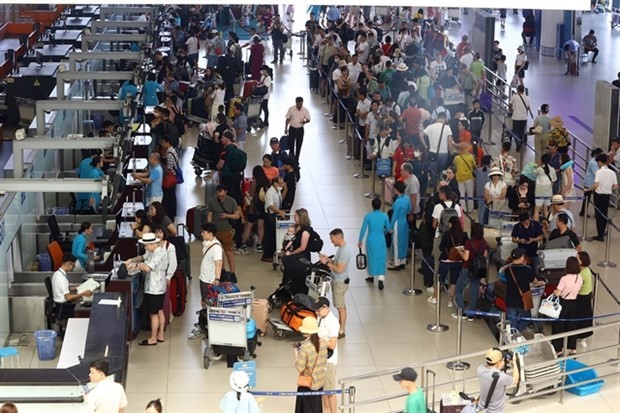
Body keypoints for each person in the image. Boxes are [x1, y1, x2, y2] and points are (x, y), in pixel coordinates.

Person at [126, 233, 168, 346]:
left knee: (153, 314)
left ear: (153, 244)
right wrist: (132, 260)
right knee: (159, 311)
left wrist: (135, 266)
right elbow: (142, 257)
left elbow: (148, 267)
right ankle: (160, 335)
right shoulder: (153, 251)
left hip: (154, 288)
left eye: (146, 245)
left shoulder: (159, 254)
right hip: (159, 287)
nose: (145, 247)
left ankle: (153, 338)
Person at [188, 223, 223, 339]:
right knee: (204, 301)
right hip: (203, 277)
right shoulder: (208, 243)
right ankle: (204, 322)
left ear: (211, 234)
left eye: (204, 232)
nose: (202, 234)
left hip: (209, 280)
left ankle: (206, 326)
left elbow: (218, 263)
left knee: (208, 302)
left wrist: (217, 278)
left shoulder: (216, 247)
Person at [319, 229, 352, 338]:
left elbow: (339, 269)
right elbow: (337, 263)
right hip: (337, 281)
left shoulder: (345, 251)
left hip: (340, 282)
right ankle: (340, 327)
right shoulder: (341, 249)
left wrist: (327, 263)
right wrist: (328, 259)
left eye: (333, 240)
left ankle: (341, 330)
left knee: (340, 307)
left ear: (338, 238)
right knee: (340, 306)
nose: (332, 242)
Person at [430, 216, 468, 306]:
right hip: (458, 261)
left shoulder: (447, 234)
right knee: (454, 281)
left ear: (450, 224)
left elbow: (441, 247)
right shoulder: (464, 235)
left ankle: (435, 298)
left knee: (440, 280)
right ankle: (451, 301)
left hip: (446, 260)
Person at [504, 248, 545, 332]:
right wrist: (542, 282)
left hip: (510, 298)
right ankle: (516, 334)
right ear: (521, 258)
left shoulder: (507, 269)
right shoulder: (527, 269)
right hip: (523, 299)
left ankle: (512, 338)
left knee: (512, 321)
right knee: (527, 319)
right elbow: (535, 282)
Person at [454, 222, 488, 321]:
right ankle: (471, 315)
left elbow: (466, 258)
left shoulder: (469, 242)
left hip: (467, 268)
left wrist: (460, 251)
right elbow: (484, 257)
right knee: (474, 292)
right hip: (478, 270)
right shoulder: (484, 243)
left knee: (459, 289)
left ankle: (461, 311)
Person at [294, 317, 328, 413]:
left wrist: (297, 355)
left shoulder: (305, 347)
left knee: (306, 409)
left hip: (307, 384)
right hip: (320, 381)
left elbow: (299, 367)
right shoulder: (323, 342)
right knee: (317, 407)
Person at [551, 257, 584, 356]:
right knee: (572, 325)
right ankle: (572, 349)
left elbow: (558, 293)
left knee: (559, 326)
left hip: (563, 303)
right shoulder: (579, 277)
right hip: (573, 303)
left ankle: (558, 349)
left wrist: (555, 292)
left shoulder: (564, 279)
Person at [313, 297, 340, 413]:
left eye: (318, 310)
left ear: (325, 307)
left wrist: (320, 341)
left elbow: (332, 344)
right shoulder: (320, 318)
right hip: (320, 359)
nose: (316, 312)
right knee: (323, 391)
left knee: (330, 392)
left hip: (329, 362)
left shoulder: (333, 322)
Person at [207, 184, 241, 275]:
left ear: (226, 192)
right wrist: (209, 228)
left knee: (229, 252)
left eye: (222, 196)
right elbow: (209, 214)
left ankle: (232, 272)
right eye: (219, 196)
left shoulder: (231, 201)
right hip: (215, 231)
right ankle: (222, 271)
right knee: (218, 253)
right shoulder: (211, 202)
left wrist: (227, 215)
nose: (221, 198)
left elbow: (237, 216)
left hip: (227, 230)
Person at [358, 197, 391, 287]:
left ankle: (371, 276)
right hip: (381, 239)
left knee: (370, 257)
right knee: (381, 258)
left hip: (371, 239)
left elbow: (363, 229)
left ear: (372, 206)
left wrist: (360, 240)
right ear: (380, 206)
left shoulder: (368, 216)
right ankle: (381, 278)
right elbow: (388, 228)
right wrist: (384, 231)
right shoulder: (384, 216)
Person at [238, 166, 270, 254]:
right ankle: (259, 245)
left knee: (248, 226)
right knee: (261, 226)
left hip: (254, 209)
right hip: (263, 208)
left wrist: (246, 197)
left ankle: (242, 245)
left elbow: (251, 196)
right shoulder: (267, 182)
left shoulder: (255, 183)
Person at [476, 349, 519, 413]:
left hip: (483, 408)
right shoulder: (502, 377)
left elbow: (491, 373)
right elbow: (515, 380)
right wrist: (515, 363)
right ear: (498, 362)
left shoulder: (480, 369)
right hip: (496, 411)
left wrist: (499, 366)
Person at [51, 254, 93, 319]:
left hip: (58, 306)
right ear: (69, 264)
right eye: (73, 266)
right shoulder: (62, 278)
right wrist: (83, 293)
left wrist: (78, 287)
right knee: (85, 311)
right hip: (64, 308)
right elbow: (69, 297)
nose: (73, 268)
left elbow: (64, 289)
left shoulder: (57, 274)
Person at [587, 153, 618, 241]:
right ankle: (603, 231)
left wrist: (588, 189)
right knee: (604, 213)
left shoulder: (599, 172)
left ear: (600, 162)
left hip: (599, 195)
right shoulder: (612, 172)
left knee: (598, 214)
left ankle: (600, 234)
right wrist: (608, 188)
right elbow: (616, 186)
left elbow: (596, 184)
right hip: (607, 195)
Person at [420, 111, 453, 188]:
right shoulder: (447, 127)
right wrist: (450, 151)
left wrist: (425, 145)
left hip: (432, 153)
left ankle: (435, 189)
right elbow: (449, 140)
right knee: (443, 173)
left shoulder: (430, 127)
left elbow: (421, 135)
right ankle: (441, 188)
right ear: (444, 118)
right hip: (444, 153)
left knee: (433, 173)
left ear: (437, 118)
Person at [261, 177, 286, 263]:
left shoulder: (277, 190)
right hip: (269, 215)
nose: (282, 185)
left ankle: (274, 253)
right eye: (280, 183)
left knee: (275, 235)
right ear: (275, 183)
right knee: (270, 236)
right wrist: (280, 212)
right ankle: (267, 255)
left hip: (275, 214)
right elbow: (270, 205)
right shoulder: (270, 192)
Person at [389, 181, 412, 272]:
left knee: (396, 243)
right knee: (403, 242)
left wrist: (390, 227)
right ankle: (403, 261)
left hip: (397, 223)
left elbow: (394, 215)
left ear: (397, 190)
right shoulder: (407, 198)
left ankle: (396, 263)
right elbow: (409, 209)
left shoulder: (398, 201)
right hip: (404, 222)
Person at [575, 251, 594, 345]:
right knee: (586, 317)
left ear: (581, 261)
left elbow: (578, 287)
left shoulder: (582, 274)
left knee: (579, 317)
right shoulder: (587, 270)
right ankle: (583, 337)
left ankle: (580, 336)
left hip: (582, 297)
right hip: (587, 296)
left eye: (577, 258)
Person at [285, 97, 312, 161]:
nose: (299, 106)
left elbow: (309, 119)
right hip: (292, 129)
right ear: (296, 103)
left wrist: (304, 122)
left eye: (301, 104)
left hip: (300, 129)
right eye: (298, 104)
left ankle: (296, 159)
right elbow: (287, 119)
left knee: (299, 145)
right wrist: (286, 128)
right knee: (291, 144)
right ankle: (291, 159)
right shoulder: (291, 109)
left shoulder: (305, 110)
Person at [159, 136, 179, 220]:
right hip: (172, 178)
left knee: (169, 197)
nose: (162, 144)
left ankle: (170, 214)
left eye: (163, 143)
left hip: (170, 178)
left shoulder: (170, 154)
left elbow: (169, 169)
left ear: (168, 142)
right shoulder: (171, 151)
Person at [580, 148, 604, 217]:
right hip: (590, 182)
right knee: (587, 198)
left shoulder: (596, 161)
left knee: (592, 198)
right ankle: (583, 212)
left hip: (593, 182)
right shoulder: (593, 162)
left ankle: (585, 212)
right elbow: (596, 173)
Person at [533, 153, 557, 221]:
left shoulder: (539, 169)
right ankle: (547, 225)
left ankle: (536, 226)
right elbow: (553, 181)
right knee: (546, 209)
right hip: (548, 193)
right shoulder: (552, 170)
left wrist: (538, 164)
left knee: (537, 209)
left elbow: (534, 172)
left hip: (539, 192)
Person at [454, 142, 476, 213]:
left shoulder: (457, 158)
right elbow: (474, 165)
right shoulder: (470, 157)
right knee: (470, 194)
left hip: (459, 178)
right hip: (469, 178)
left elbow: (454, 165)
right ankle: (470, 209)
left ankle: (463, 209)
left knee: (461, 194)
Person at [508, 84, 530, 151]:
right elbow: (528, 108)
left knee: (515, 131)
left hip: (516, 117)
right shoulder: (527, 98)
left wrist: (511, 109)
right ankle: (521, 141)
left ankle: (518, 144)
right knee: (521, 131)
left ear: (517, 90)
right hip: (524, 117)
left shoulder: (514, 97)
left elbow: (510, 104)